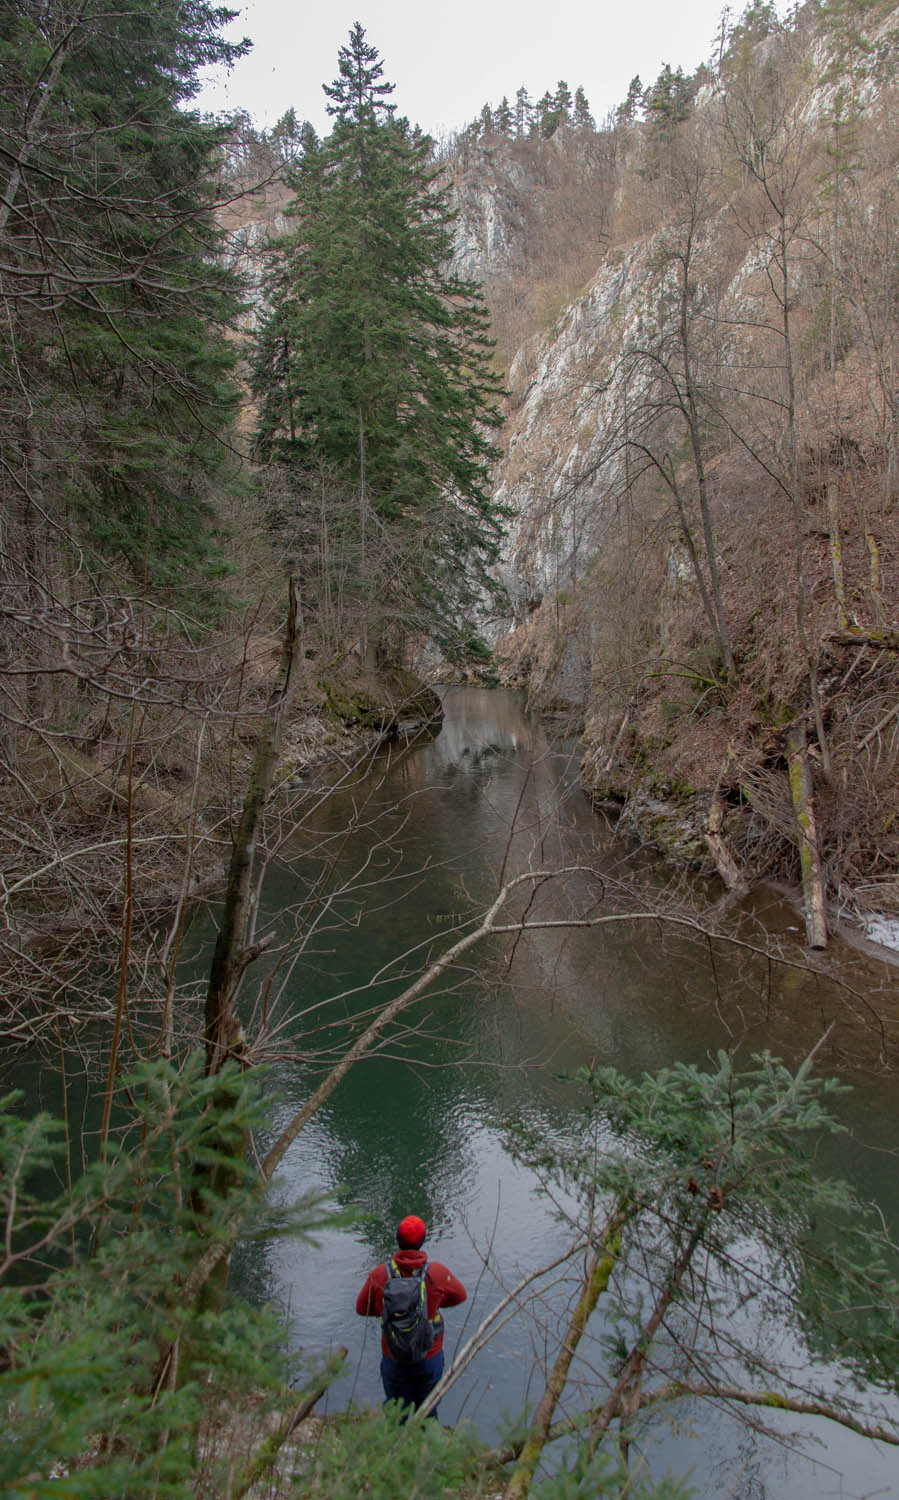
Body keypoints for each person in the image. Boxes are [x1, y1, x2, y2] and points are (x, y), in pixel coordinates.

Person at [356, 1214, 466, 1418]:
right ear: (423, 1241)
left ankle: (398, 1446)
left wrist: (389, 1310)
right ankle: (426, 1445)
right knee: (428, 1412)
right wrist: (435, 1303)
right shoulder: (437, 1273)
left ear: (398, 1241)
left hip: (394, 1356)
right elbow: (460, 1296)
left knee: (397, 1414)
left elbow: (362, 1308)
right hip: (429, 1355)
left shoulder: (381, 1275)